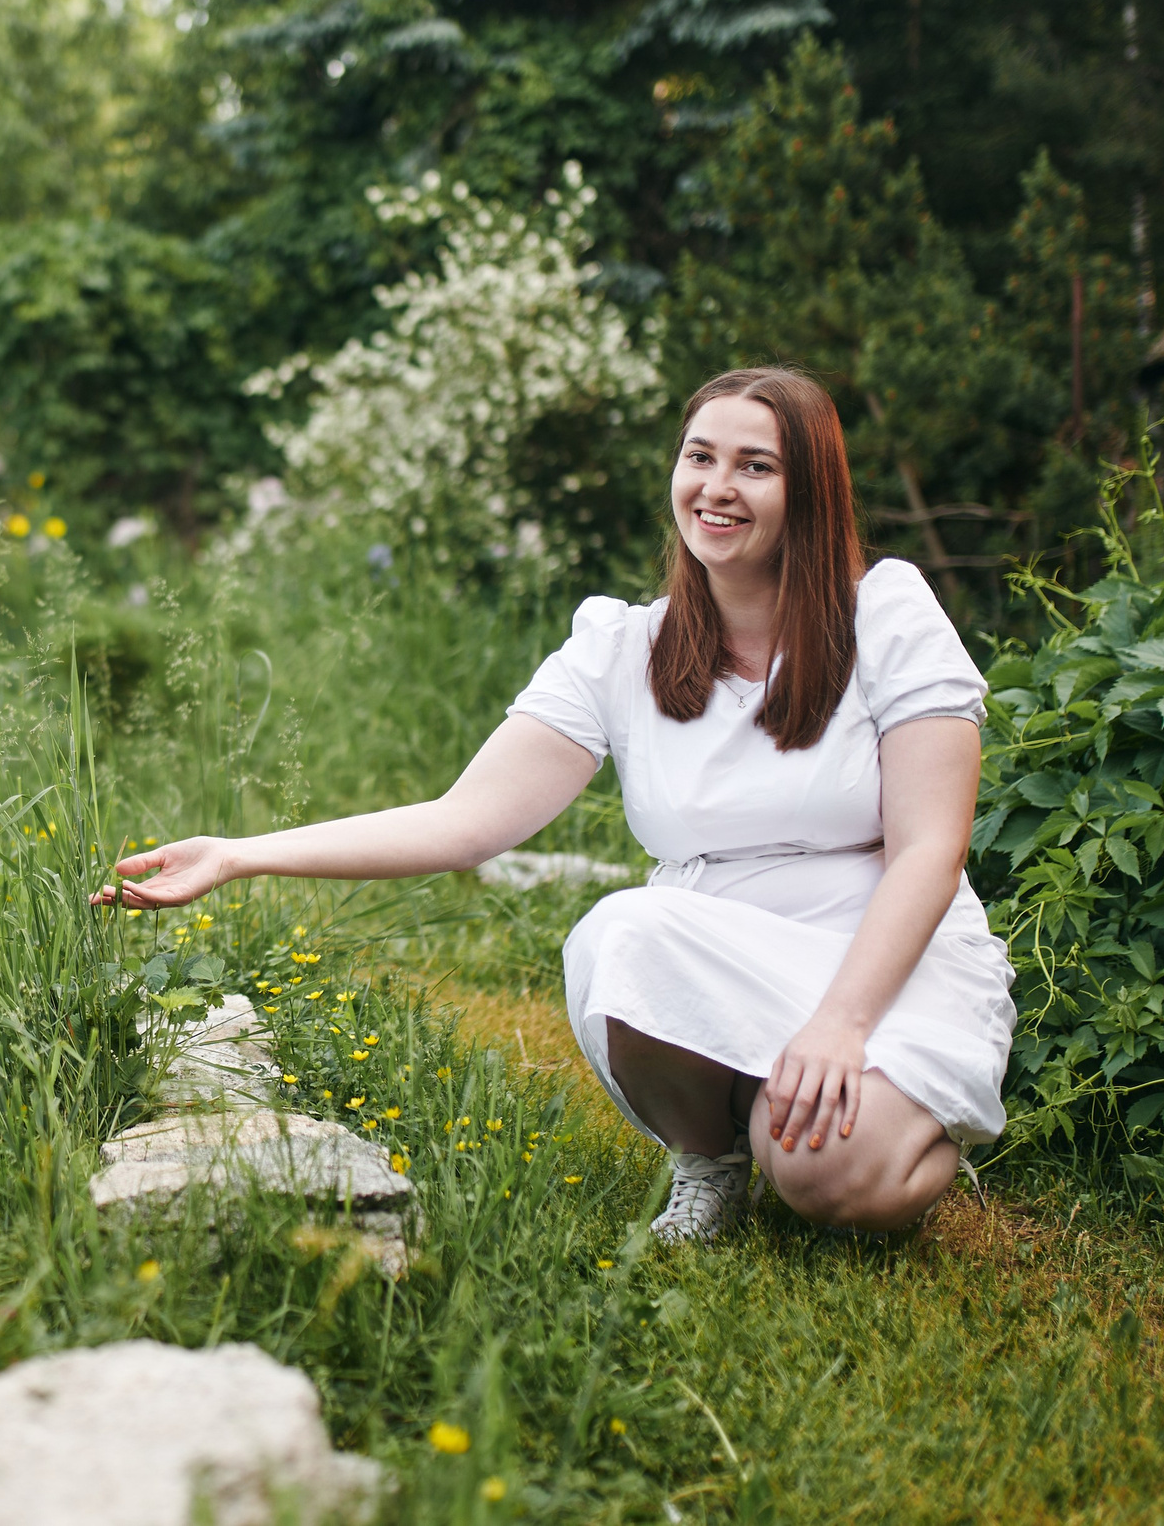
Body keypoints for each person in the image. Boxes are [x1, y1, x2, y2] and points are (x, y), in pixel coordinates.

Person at [100, 367, 1013, 1241]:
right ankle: (711, 1154)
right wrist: (240, 853)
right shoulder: (624, 648)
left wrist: (842, 1022)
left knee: (825, 1174)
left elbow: (931, 848)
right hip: (716, 947)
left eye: (755, 465)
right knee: (624, 931)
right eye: (699, 457)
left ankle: (886, 1113)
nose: (717, 488)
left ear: (810, 491)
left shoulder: (886, 614)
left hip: (878, 949)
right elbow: (464, 822)